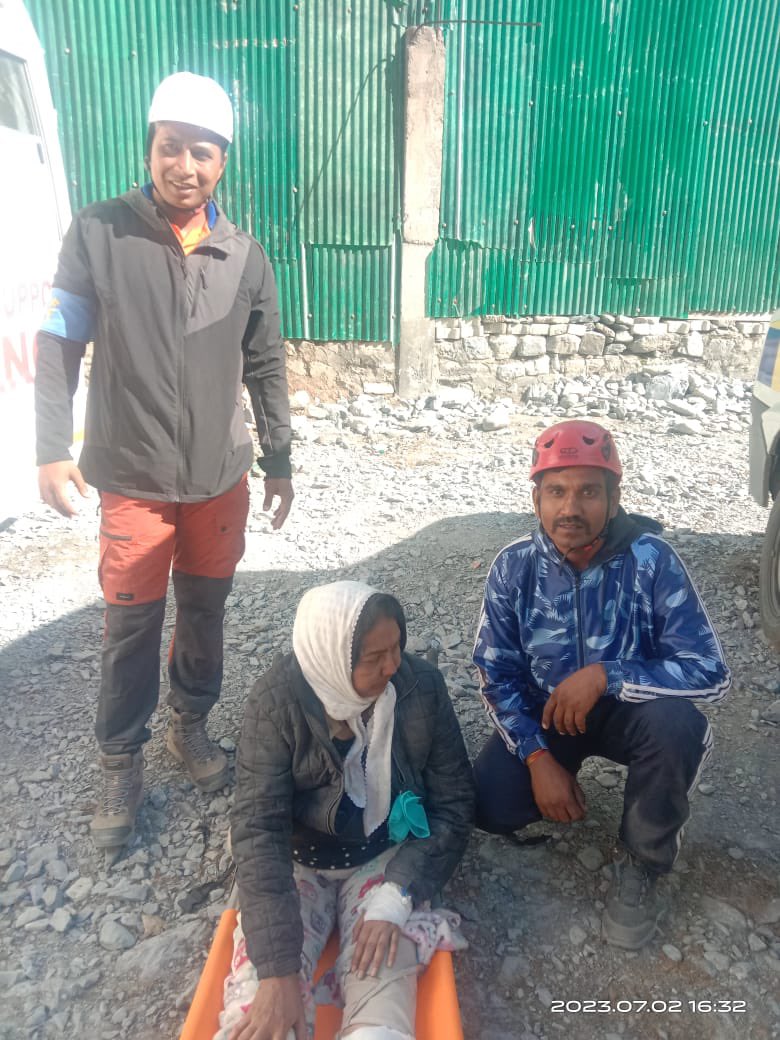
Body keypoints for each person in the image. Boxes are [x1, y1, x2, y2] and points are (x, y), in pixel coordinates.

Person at [34, 72, 293, 850]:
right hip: (134, 476)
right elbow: (59, 341)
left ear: (223, 162)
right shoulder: (100, 232)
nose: (185, 165)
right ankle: (121, 760)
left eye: (202, 152)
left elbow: (266, 364)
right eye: (170, 147)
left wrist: (279, 459)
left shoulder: (244, 255)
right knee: (132, 624)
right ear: (149, 149)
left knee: (205, 613)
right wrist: (51, 448)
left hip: (219, 477)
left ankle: (190, 725)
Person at [472, 419, 731, 950]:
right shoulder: (514, 566)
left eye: (589, 491)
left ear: (614, 500)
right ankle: (557, 773)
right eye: (556, 492)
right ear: (537, 499)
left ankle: (644, 859)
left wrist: (607, 675)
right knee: (490, 807)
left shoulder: (652, 561)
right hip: (550, 714)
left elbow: (709, 670)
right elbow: (496, 672)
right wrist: (537, 759)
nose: (570, 508)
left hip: (631, 712)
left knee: (676, 725)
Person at [229, 581, 474, 1040]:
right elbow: (259, 830)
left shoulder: (420, 688)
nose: (393, 666)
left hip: (383, 855)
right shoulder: (276, 702)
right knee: (262, 1003)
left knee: (384, 960)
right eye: (374, 657)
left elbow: (454, 804)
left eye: (397, 647)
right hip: (299, 860)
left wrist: (395, 898)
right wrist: (278, 971)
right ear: (331, 659)